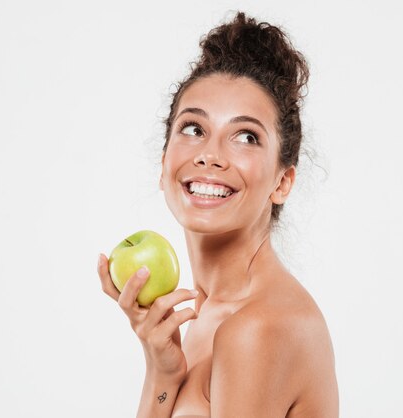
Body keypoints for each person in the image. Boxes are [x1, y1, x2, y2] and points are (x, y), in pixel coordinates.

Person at [97, 12, 338, 418]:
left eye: (246, 136)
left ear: (283, 181)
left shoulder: (257, 328)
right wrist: (162, 374)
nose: (210, 154)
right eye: (193, 129)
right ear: (164, 164)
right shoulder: (212, 311)